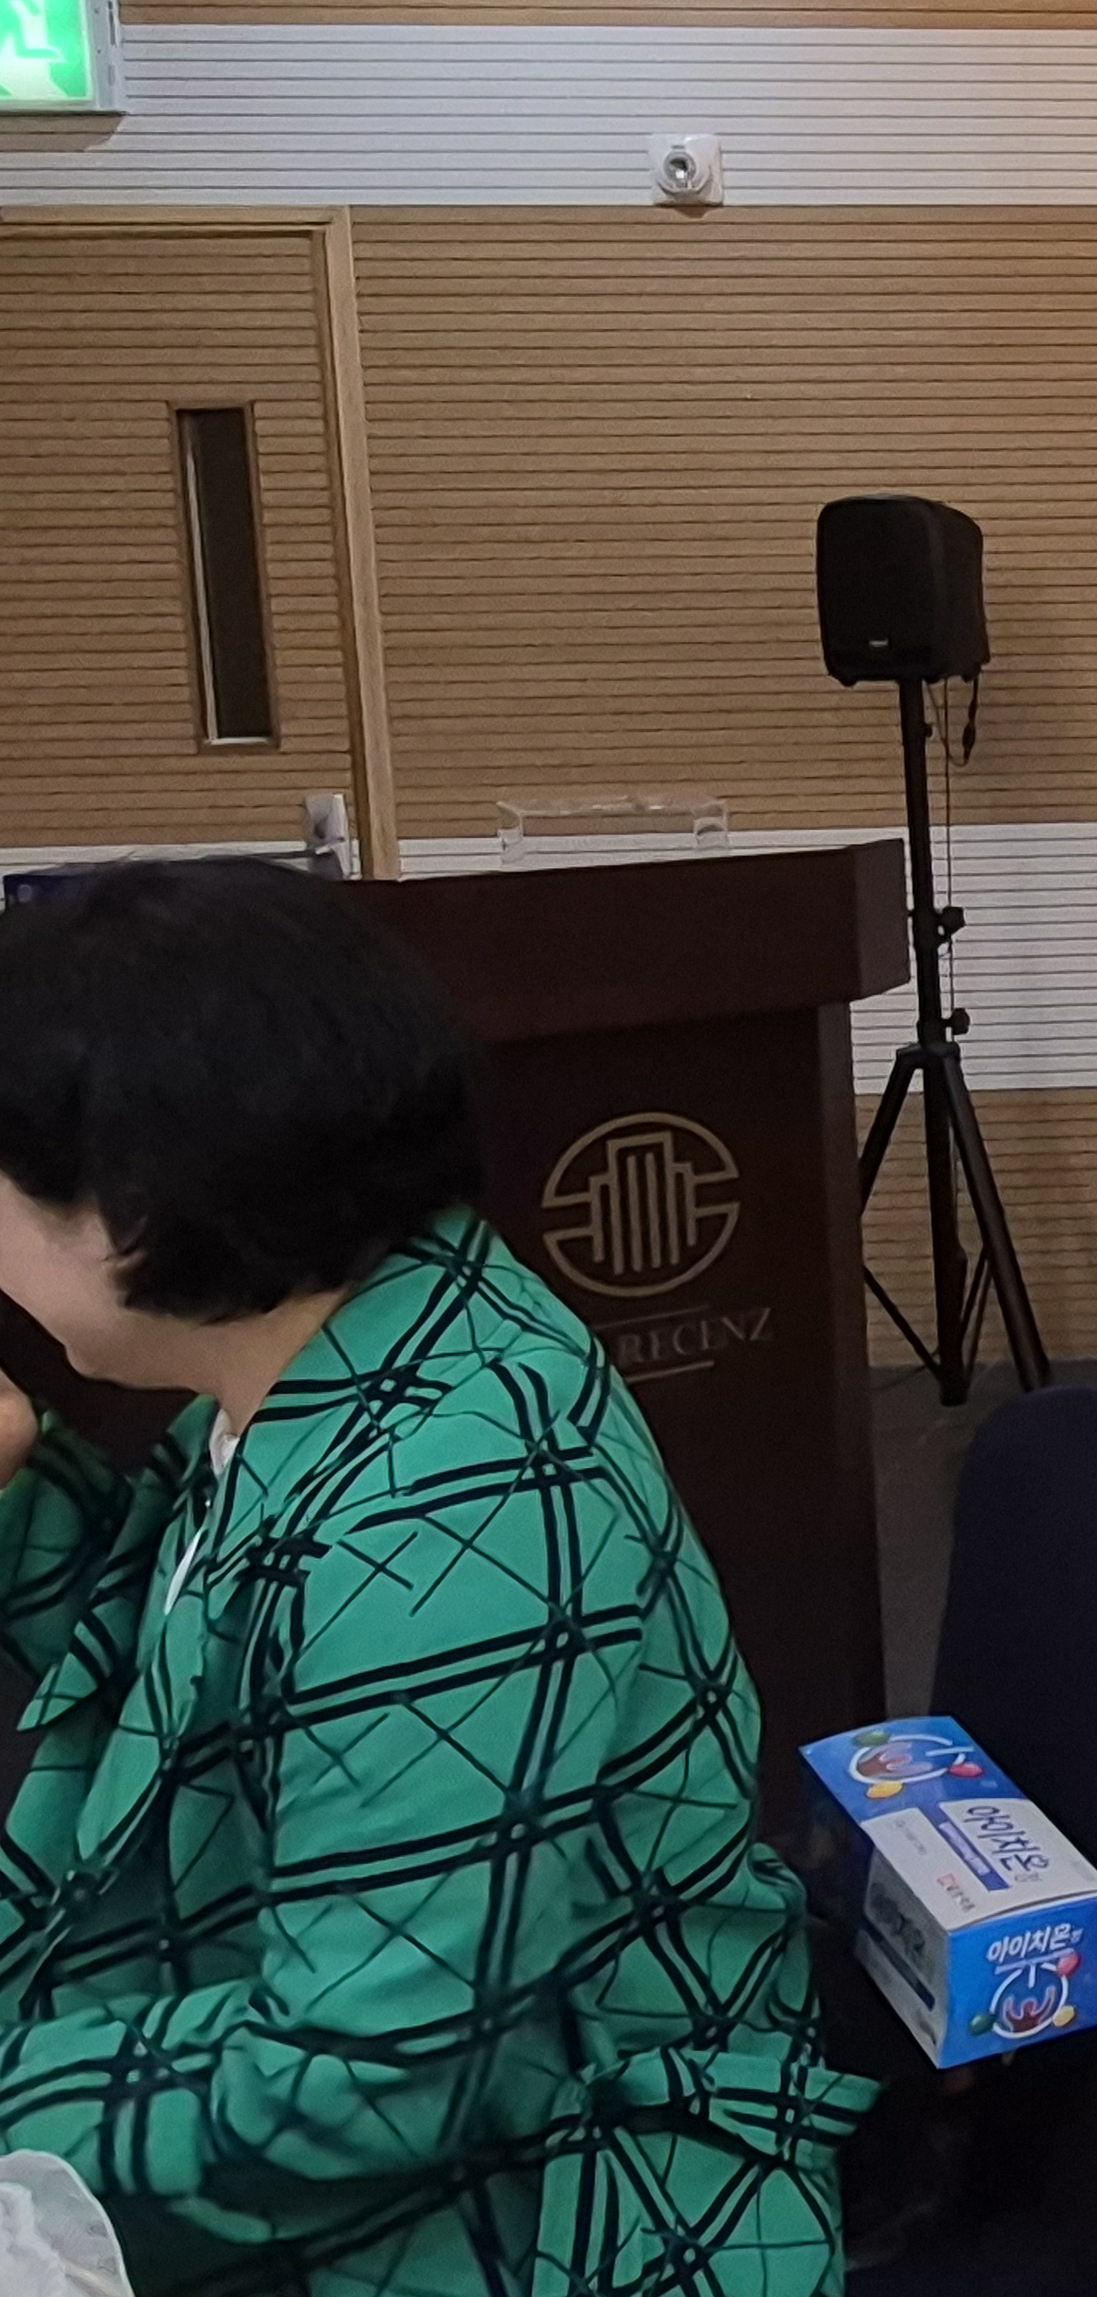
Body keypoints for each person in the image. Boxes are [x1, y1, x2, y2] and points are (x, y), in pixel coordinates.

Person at [0, 856, 871, 2293]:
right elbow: (209, 1658)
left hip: (569, 2201)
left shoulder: (448, 1499)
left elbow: (365, 2074)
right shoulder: (361, 1325)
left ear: (141, 1205)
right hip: (437, 2075)